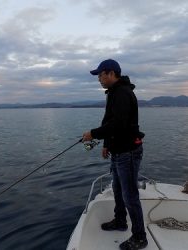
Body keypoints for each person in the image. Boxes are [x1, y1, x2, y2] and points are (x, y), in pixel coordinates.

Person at [82, 59, 148, 250]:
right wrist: (107, 144)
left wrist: (93, 134)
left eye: (100, 75)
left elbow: (118, 125)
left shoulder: (122, 93)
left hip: (128, 153)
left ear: (111, 73)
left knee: (130, 196)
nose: (99, 80)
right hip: (118, 151)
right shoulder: (114, 92)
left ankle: (140, 237)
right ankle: (120, 221)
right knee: (118, 191)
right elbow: (111, 123)